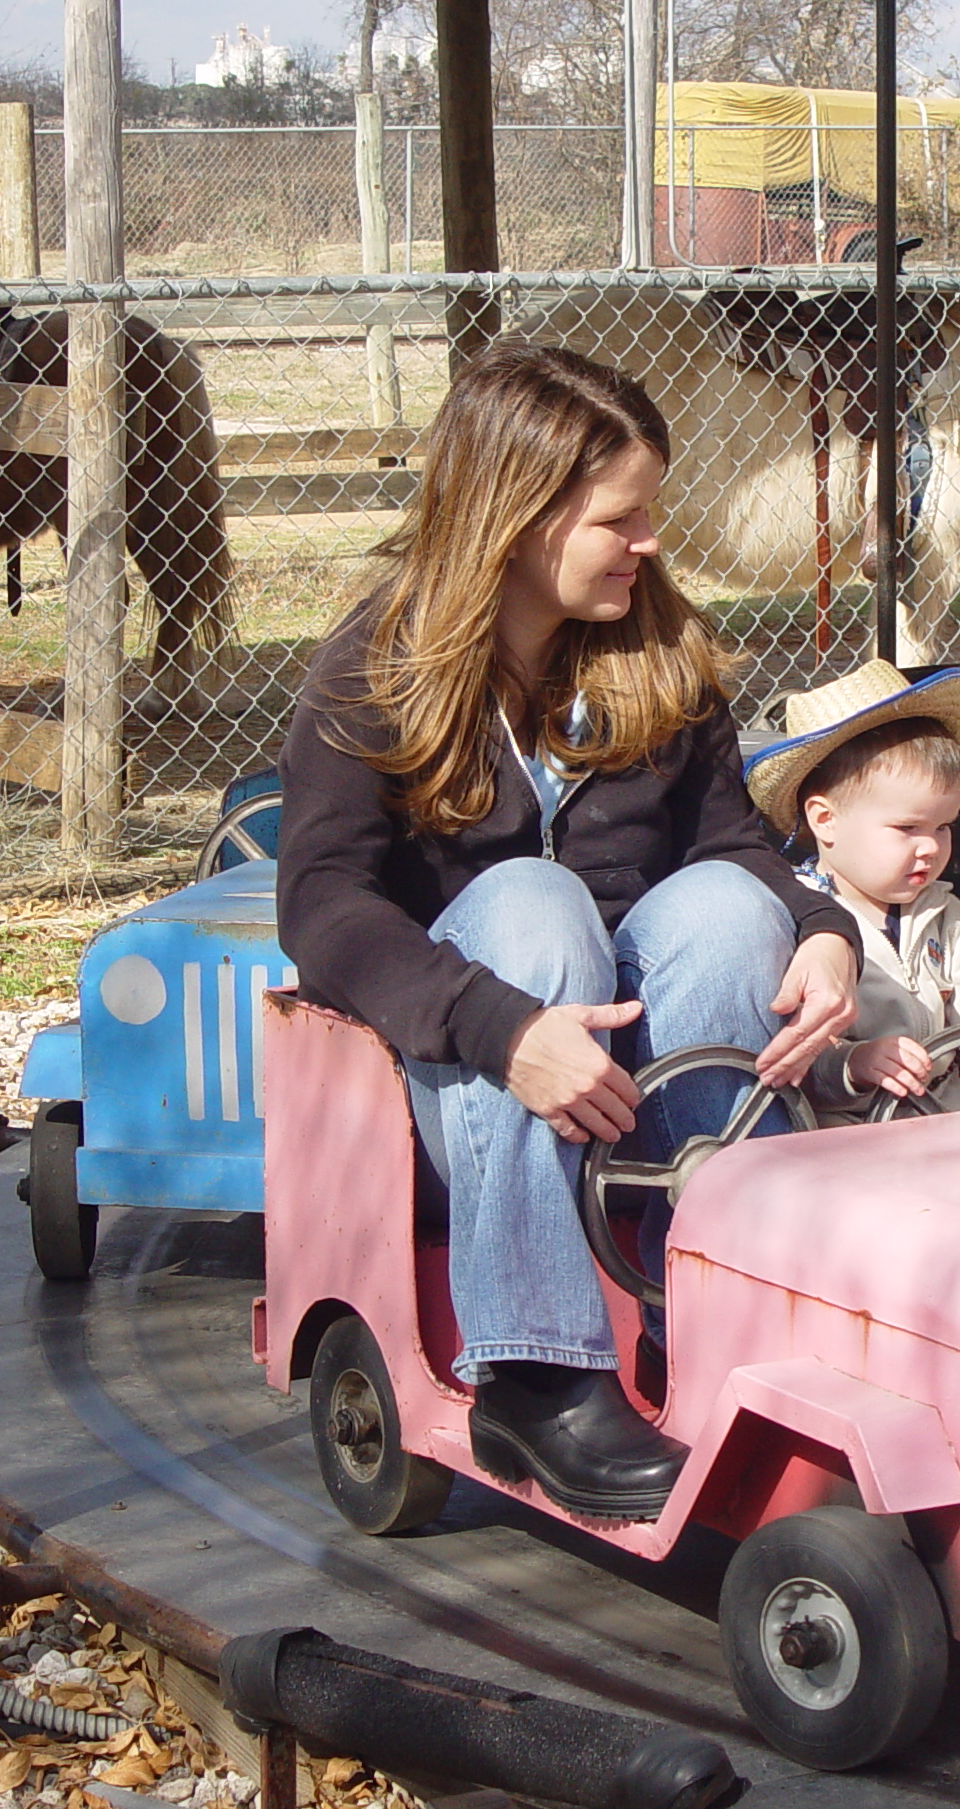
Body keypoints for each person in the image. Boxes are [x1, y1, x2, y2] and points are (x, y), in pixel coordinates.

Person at [275, 340, 860, 1522]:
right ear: (520, 520)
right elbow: (322, 908)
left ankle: (709, 1299)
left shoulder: (660, 652)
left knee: (730, 909)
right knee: (535, 906)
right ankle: (537, 1376)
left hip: (637, 1089)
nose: (649, 544)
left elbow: (731, 848)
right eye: (620, 520)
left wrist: (820, 927)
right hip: (461, 1094)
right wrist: (504, 1030)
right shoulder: (371, 673)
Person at [744, 660, 960, 1115]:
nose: (931, 847)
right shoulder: (797, 922)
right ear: (826, 820)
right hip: (844, 1135)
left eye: (944, 826)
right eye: (907, 828)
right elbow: (787, 1047)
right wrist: (852, 1063)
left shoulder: (944, 914)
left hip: (942, 1114)